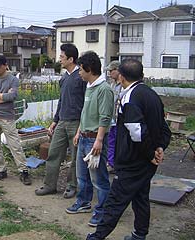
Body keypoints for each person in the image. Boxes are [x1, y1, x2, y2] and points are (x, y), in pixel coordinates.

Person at [87, 59, 171, 240]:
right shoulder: (152, 94)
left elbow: (137, 132)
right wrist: (160, 147)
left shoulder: (130, 98)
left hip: (133, 162)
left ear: (122, 77)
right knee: (141, 198)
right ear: (142, 75)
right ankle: (139, 235)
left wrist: (150, 154)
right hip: (146, 161)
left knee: (115, 202)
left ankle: (96, 237)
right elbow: (163, 127)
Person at [66, 51, 113, 228]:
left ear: (90, 69)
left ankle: (103, 212)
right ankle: (83, 202)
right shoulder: (90, 86)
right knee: (82, 176)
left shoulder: (104, 89)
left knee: (99, 179)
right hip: (84, 137)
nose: (79, 71)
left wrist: (99, 140)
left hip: (95, 140)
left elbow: (105, 117)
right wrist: (79, 132)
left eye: (81, 69)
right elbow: (85, 113)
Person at [35, 43, 86, 198]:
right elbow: (62, 101)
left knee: (75, 157)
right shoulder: (64, 78)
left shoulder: (81, 77)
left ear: (71, 59)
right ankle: (50, 185)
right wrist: (55, 120)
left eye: (62, 57)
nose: (60, 59)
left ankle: (72, 186)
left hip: (76, 122)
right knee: (53, 153)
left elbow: (86, 103)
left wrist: (82, 126)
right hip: (62, 121)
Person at [0, 55, 31, 185]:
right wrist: (3, 97)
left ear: (5, 65)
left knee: (15, 145)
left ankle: (23, 171)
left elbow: (13, 96)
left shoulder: (12, 80)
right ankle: (0, 170)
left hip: (7, 118)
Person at [105, 60, 122, 173]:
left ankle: (115, 164)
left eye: (111, 71)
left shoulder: (123, 85)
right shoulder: (112, 84)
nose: (109, 73)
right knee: (111, 143)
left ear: (118, 70)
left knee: (118, 143)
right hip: (112, 120)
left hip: (119, 120)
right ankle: (111, 163)